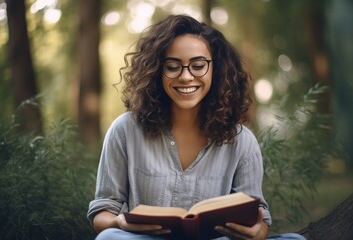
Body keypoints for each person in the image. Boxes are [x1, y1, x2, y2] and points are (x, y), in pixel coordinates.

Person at [87, 14, 305, 240]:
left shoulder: (242, 141)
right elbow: (102, 213)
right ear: (156, 71)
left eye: (198, 66)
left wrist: (257, 232)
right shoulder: (125, 130)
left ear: (216, 68)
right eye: (172, 67)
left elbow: (260, 220)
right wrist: (118, 222)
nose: (185, 76)